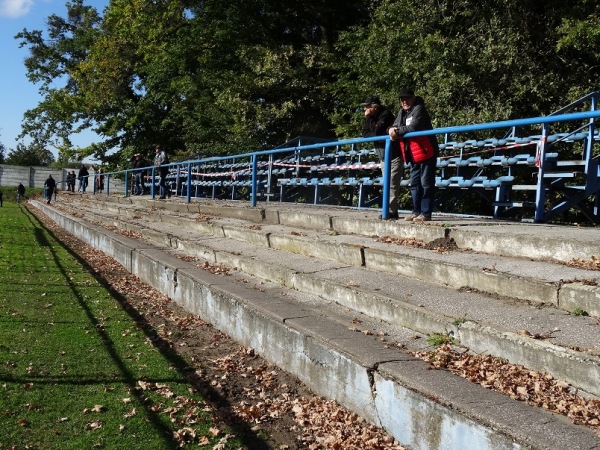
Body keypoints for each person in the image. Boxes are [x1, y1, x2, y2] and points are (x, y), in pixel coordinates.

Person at [388, 89, 439, 222]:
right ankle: (416, 212)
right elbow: (395, 125)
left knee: (426, 183)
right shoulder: (402, 112)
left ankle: (426, 213)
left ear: (413, 98)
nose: (405, 102)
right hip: (412, 153)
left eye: (407, 99)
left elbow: (414, 127)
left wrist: (397, 131)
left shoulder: (419, 109)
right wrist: (392, 129)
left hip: (427, 151)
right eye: (402, 100)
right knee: (415, 183)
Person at [361, 95, 403, 220]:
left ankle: (390, 212)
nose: (365, 109)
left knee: (392, 184)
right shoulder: (371, 117)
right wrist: (369, 121)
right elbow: (364, 133)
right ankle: (391, 211)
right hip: (383, 156)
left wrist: (371, 126)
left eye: (367, 106)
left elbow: (377, 132)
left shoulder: (386, 114)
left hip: (394, 155)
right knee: (387, 184)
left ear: (375, 106)